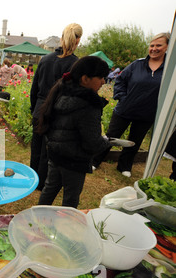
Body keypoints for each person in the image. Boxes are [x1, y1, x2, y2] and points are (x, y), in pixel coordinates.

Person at [36, 56, 111, 208]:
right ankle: (66, 226)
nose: (103, 82)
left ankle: (36, 218)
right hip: (75, 161)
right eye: (101, 77)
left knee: (49, 188)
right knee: (70, 199)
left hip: (55, 155)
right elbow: (92, 143)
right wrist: (106, 141)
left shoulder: (61, 91)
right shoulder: (89, 104)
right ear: (85, 79)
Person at [92, 32, 170, 177]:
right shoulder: (137, 64)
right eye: (152, 45)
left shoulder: (169, 70)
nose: (154, 48)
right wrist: (122, 97)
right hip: (125, 109)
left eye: (158, 45)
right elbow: (120, 81)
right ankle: (95, 161)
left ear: (167, 47)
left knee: (135, 141)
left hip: (147, 113)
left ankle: (124, 166)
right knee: (111, 137)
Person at [30, 23, 83, 190]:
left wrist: (34, 109)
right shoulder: (76, 64)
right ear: (78, 40)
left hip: (40, 108)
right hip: (57, 112)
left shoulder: (45, 60)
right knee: (49, 150)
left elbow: (34, 89)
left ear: (61, 38)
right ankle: (41, 183)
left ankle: (32, 179)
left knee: (37, 146)